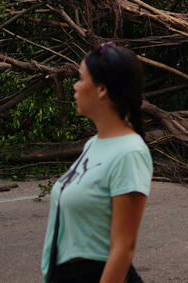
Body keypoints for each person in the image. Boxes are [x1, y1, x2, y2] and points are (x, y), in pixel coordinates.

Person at [41, 42, 153, 283]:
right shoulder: (94, 144)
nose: (75, 85)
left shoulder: (130, 152)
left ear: (102, 89)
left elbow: (123, 248)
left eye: (81, 78)